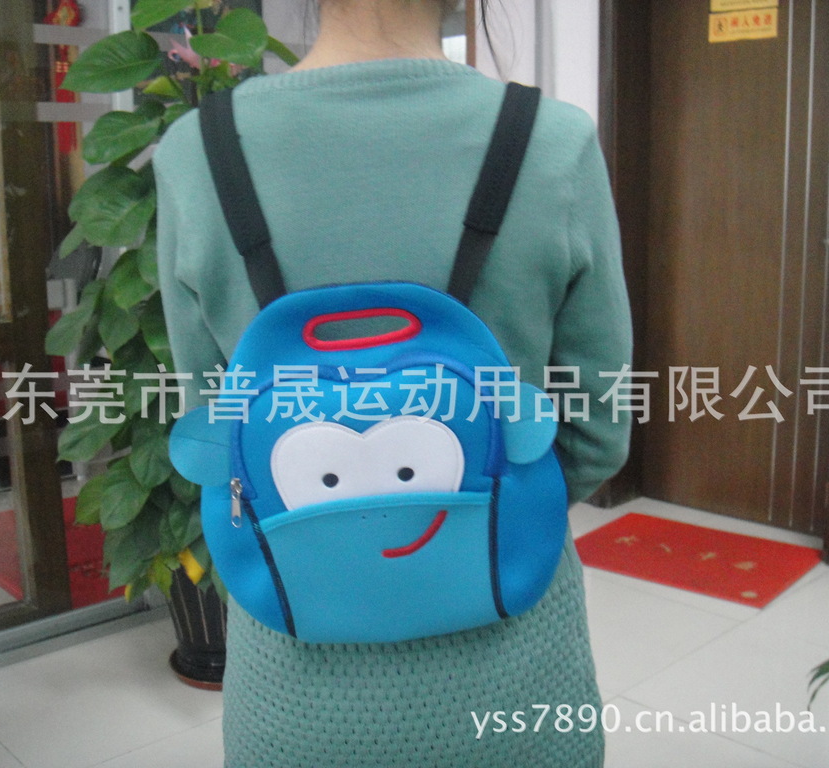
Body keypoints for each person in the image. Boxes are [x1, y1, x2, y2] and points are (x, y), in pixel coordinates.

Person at [154, 1, 632, 765]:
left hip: (294, 676)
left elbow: (214, 421)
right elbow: (597, 433)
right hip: (512, 662)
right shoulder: (551, 140)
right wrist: (479, 509)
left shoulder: (198, 150)